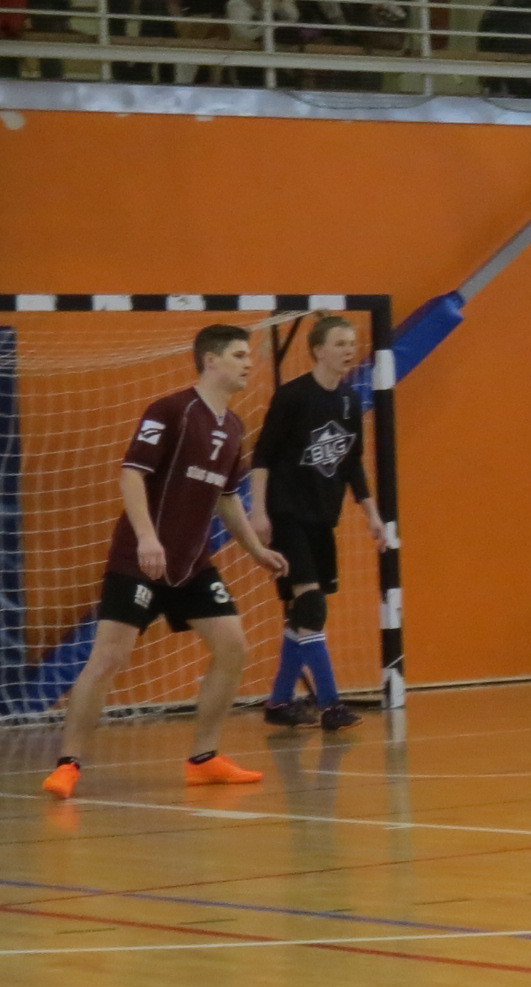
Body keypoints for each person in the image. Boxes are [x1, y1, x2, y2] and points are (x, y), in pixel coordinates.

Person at [43, 324, 288, 799]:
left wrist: (256, 551)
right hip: (141, 560)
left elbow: (227, 498)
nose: (248, 364)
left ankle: (204, 758)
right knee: (109, 657)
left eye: (249, 356)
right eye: (239, 355)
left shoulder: (233, 427)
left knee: (233, 647)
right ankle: (68, 764)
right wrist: (147, 538)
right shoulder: (171, 411)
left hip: (192, 564)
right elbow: (132, 474)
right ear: (211, 360)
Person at [250, 314, 390, 731]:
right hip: (287, 514)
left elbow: (352, 463)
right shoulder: (293, 396)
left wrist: (373, 515)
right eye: (340, 343)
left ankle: (279, 702)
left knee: (305, 614)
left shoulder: (349, 400)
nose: (349, 350)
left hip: (322, 519)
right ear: (318, 350)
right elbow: (262, 456)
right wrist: (258, 512)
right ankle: (331, 704)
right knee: (312, 605)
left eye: (352, 343)